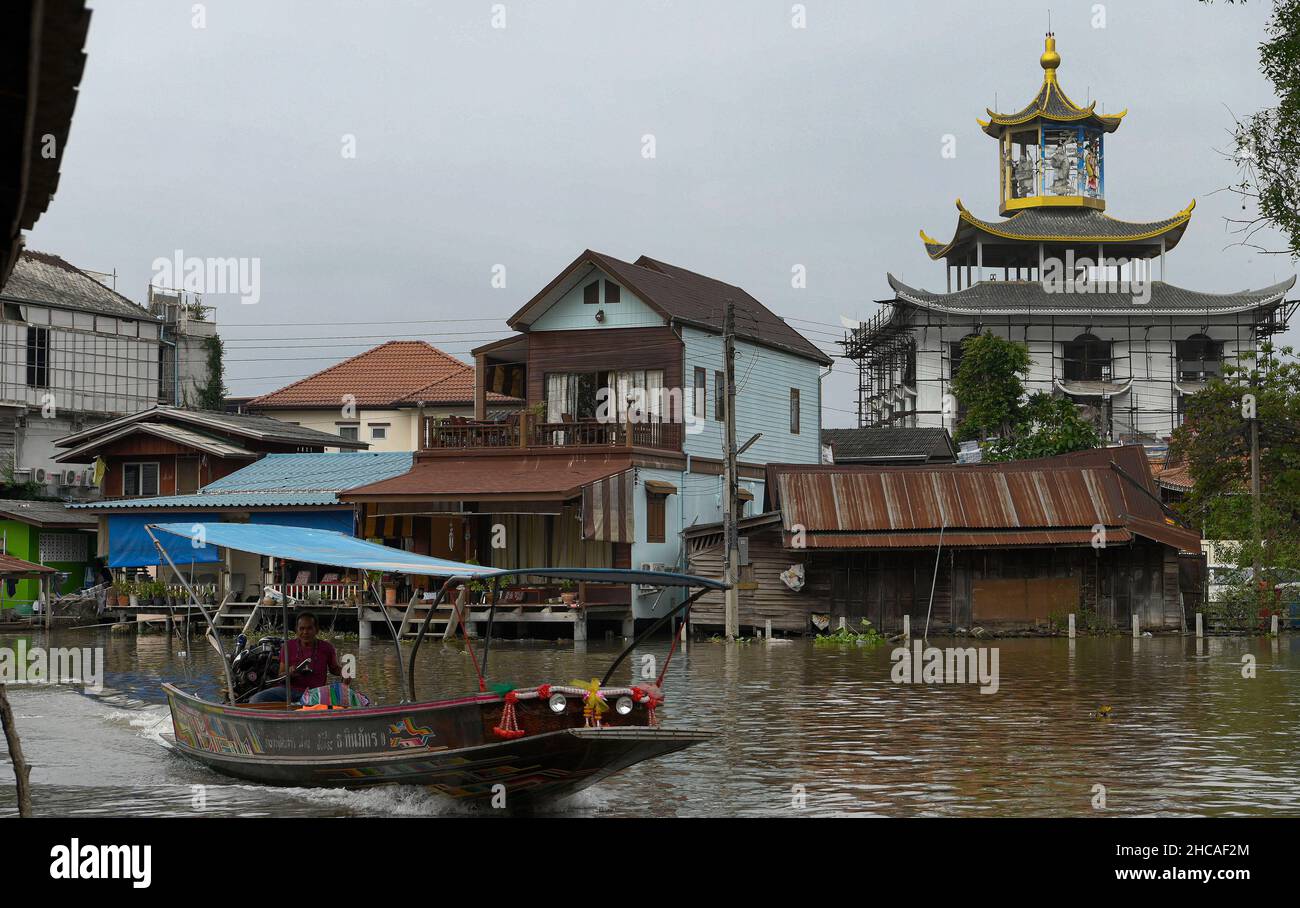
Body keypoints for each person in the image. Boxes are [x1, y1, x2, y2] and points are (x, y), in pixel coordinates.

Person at [250, 612, 348, 704]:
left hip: (314, 692)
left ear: (316, 629)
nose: (305, 632)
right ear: (296, 630)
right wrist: (289, 672)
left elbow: (334, 668)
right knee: (256, 699)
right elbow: (280, 676)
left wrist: (345, 672)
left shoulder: (327, 647)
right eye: (302, 628)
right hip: (288, 691)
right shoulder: (288, 646)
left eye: (309, 628)